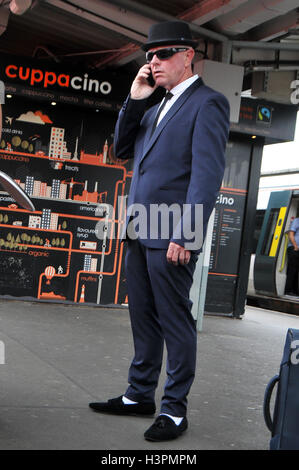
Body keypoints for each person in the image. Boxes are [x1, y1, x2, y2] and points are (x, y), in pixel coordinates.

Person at [89, 21, 230, 442]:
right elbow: (122, 148)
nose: (155, 61)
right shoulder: (154, 107)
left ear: (189, 56)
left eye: (165, 53)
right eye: (150, 55)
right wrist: (134, 98)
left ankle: (173, 411)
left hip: (171, 235)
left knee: (175, 322)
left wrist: (187, 235)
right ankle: (138, 395)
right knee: (143, 320)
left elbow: (206, 178)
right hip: (140, 229)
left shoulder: (208, 103)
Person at [285, 216, 299, 296]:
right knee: (292, 270)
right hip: (294, 249)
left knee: (296, 271)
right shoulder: (297, 221)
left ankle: (295, 291)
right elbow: (291, 234)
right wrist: (295, 246)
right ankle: (288, 290)